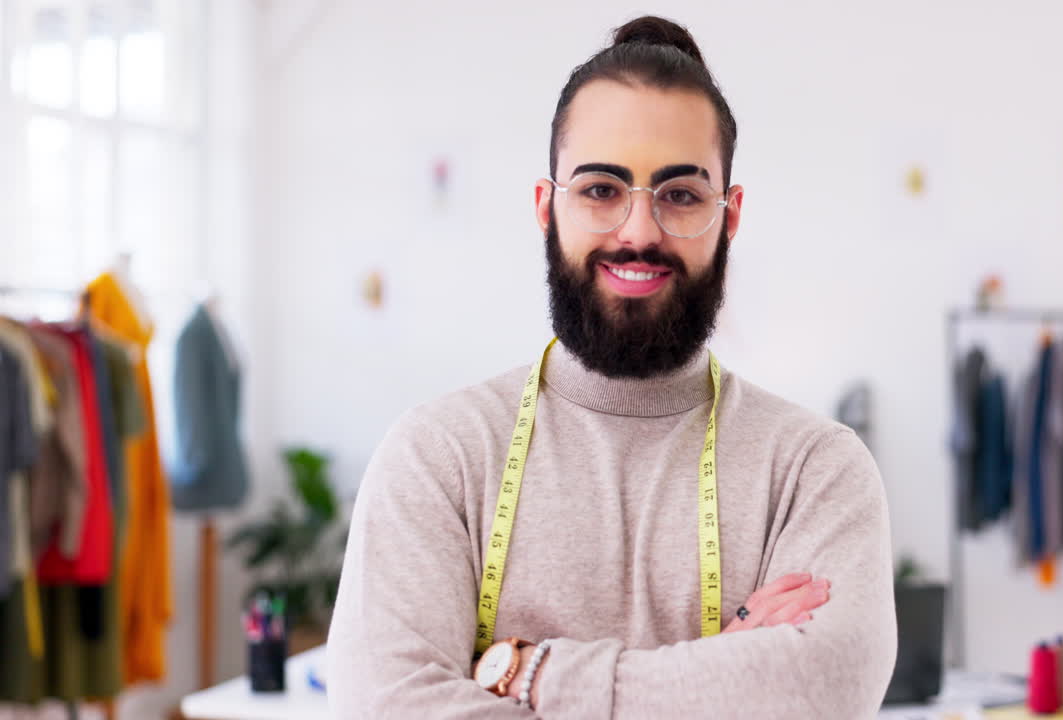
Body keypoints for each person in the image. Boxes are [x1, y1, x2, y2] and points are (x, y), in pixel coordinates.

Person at [327, 15, 896, 718]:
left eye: (681, 195)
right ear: (546, 208)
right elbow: (382, 706)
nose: (638, 231)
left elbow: (826, 687)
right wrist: (723, 673)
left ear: (731, 216)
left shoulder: (815, 468)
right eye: (601, 189)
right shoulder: (438, 457)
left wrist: (526, 674)